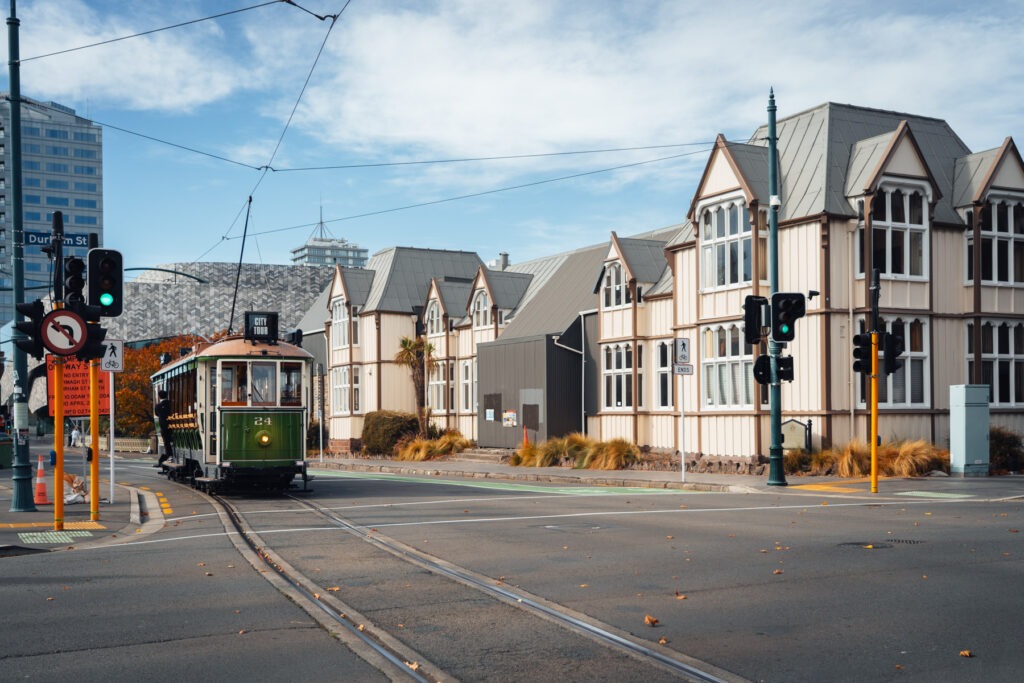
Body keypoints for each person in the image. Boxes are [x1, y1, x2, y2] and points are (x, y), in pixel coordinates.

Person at [155, 390, 173, 467]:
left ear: (159, 396)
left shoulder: (158, 406)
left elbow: (156, 414)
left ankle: (170, 455)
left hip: (164, 426)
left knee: (166, 442)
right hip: (173, 425)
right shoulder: (171, 404)